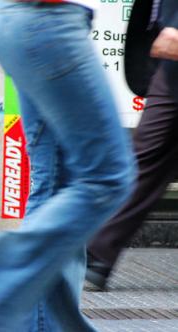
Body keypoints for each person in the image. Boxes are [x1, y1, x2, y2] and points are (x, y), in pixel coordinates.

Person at [0, 1, 135, 331]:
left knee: (57, 182)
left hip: (19, 21)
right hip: (49, 20)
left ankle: (44, 324)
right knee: (108, 177)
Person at [87, 0, 178, 290]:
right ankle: (97, 256)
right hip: (170, 63)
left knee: (149, 153)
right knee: (148, 154)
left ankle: (96, 256)